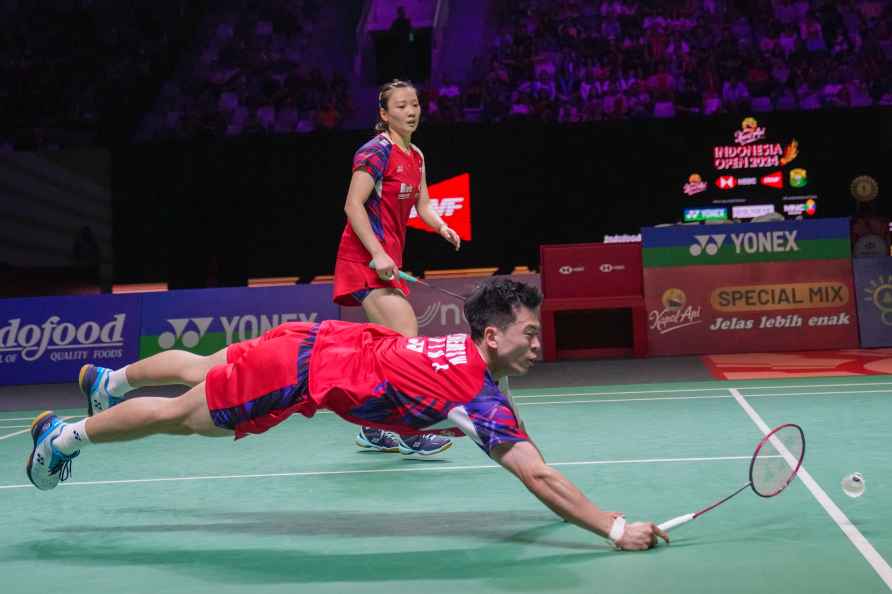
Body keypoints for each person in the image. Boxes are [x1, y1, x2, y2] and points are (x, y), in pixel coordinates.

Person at [28, 278, 668, 551]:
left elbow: (511, 433)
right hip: (300, 372)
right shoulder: (475, 392)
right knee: (182, 417)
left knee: (201, 370)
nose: (539, 343)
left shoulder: (467, 356)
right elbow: (538, 476)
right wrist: (613, 528)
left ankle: (108, 382)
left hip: (316, 341)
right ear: (493, 337)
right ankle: (65, 436)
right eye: (529, 333)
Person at [332, 79, 462, 456]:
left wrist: (441, 226)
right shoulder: (375, 153)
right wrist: (377, 253)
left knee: (385, 349)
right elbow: (352, 205)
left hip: (386, 261)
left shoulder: (416, 155)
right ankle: (407, 430)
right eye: (402, 106)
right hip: (363, 260)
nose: (411, 111)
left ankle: (372, 429)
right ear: (384, 114)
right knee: (405, 337)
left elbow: (422, 205)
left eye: (415, 104)